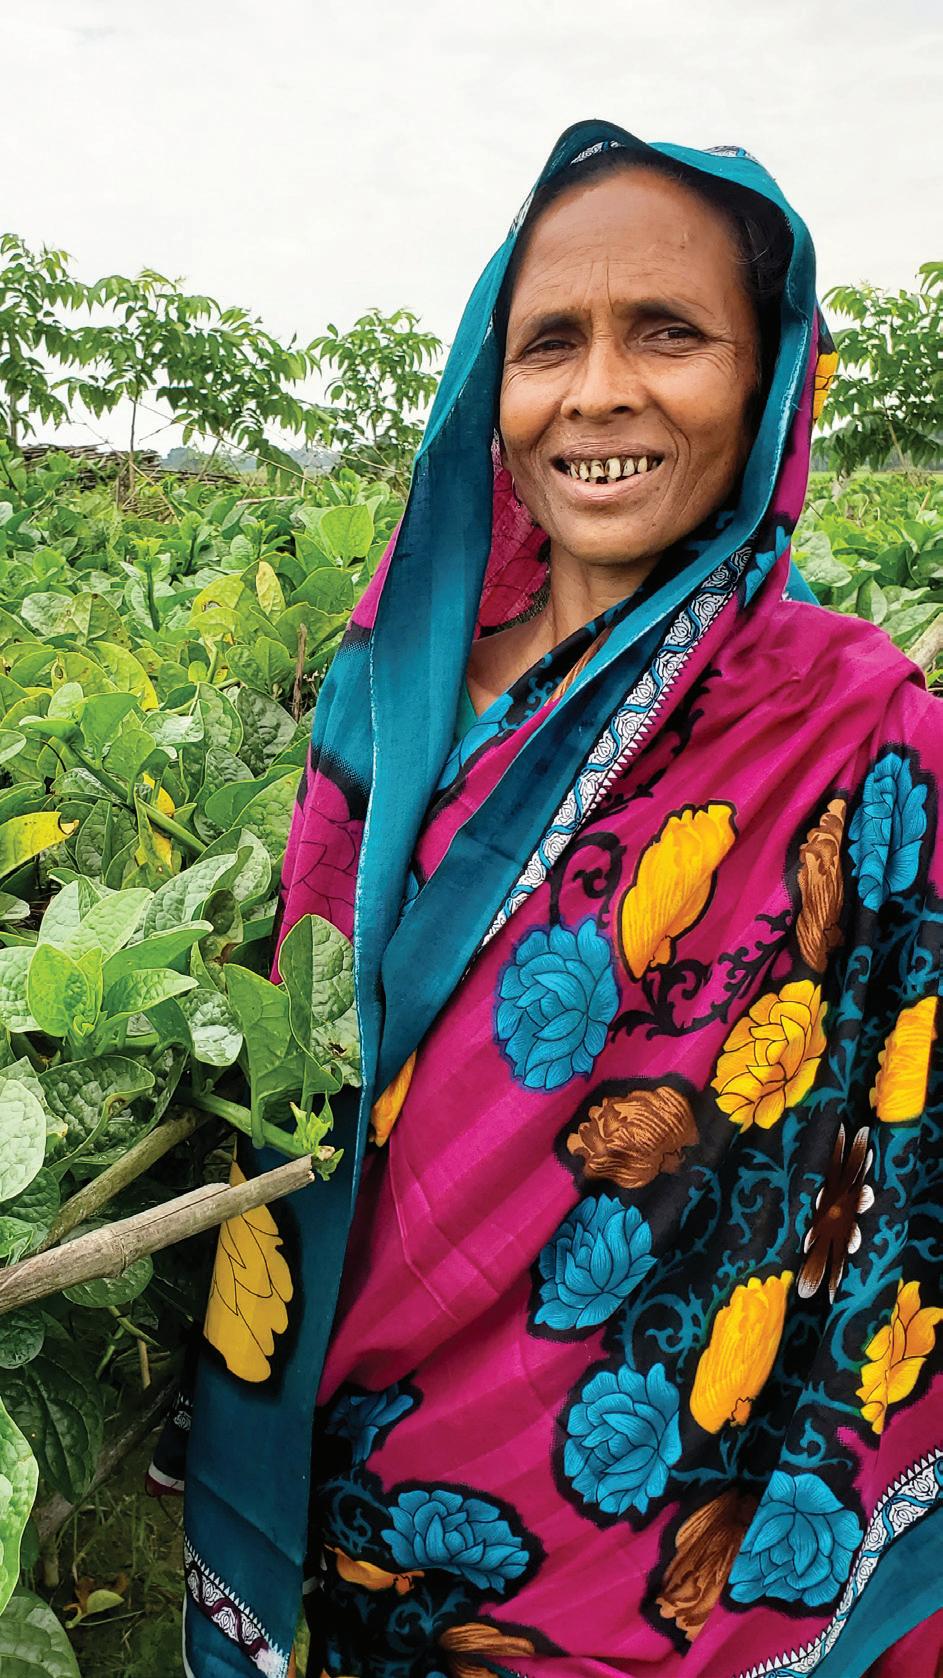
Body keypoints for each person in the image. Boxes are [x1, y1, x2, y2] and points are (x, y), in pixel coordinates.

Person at [174, 120, 943, 1678]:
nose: (599, 390)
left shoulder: (856, 729)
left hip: (651, 1531)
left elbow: (906, 1126)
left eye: (668, 332)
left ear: (769, 378)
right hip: (348, 1488)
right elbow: (300, 1075)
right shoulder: (385, 701)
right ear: (492, 385)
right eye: (549, 343)